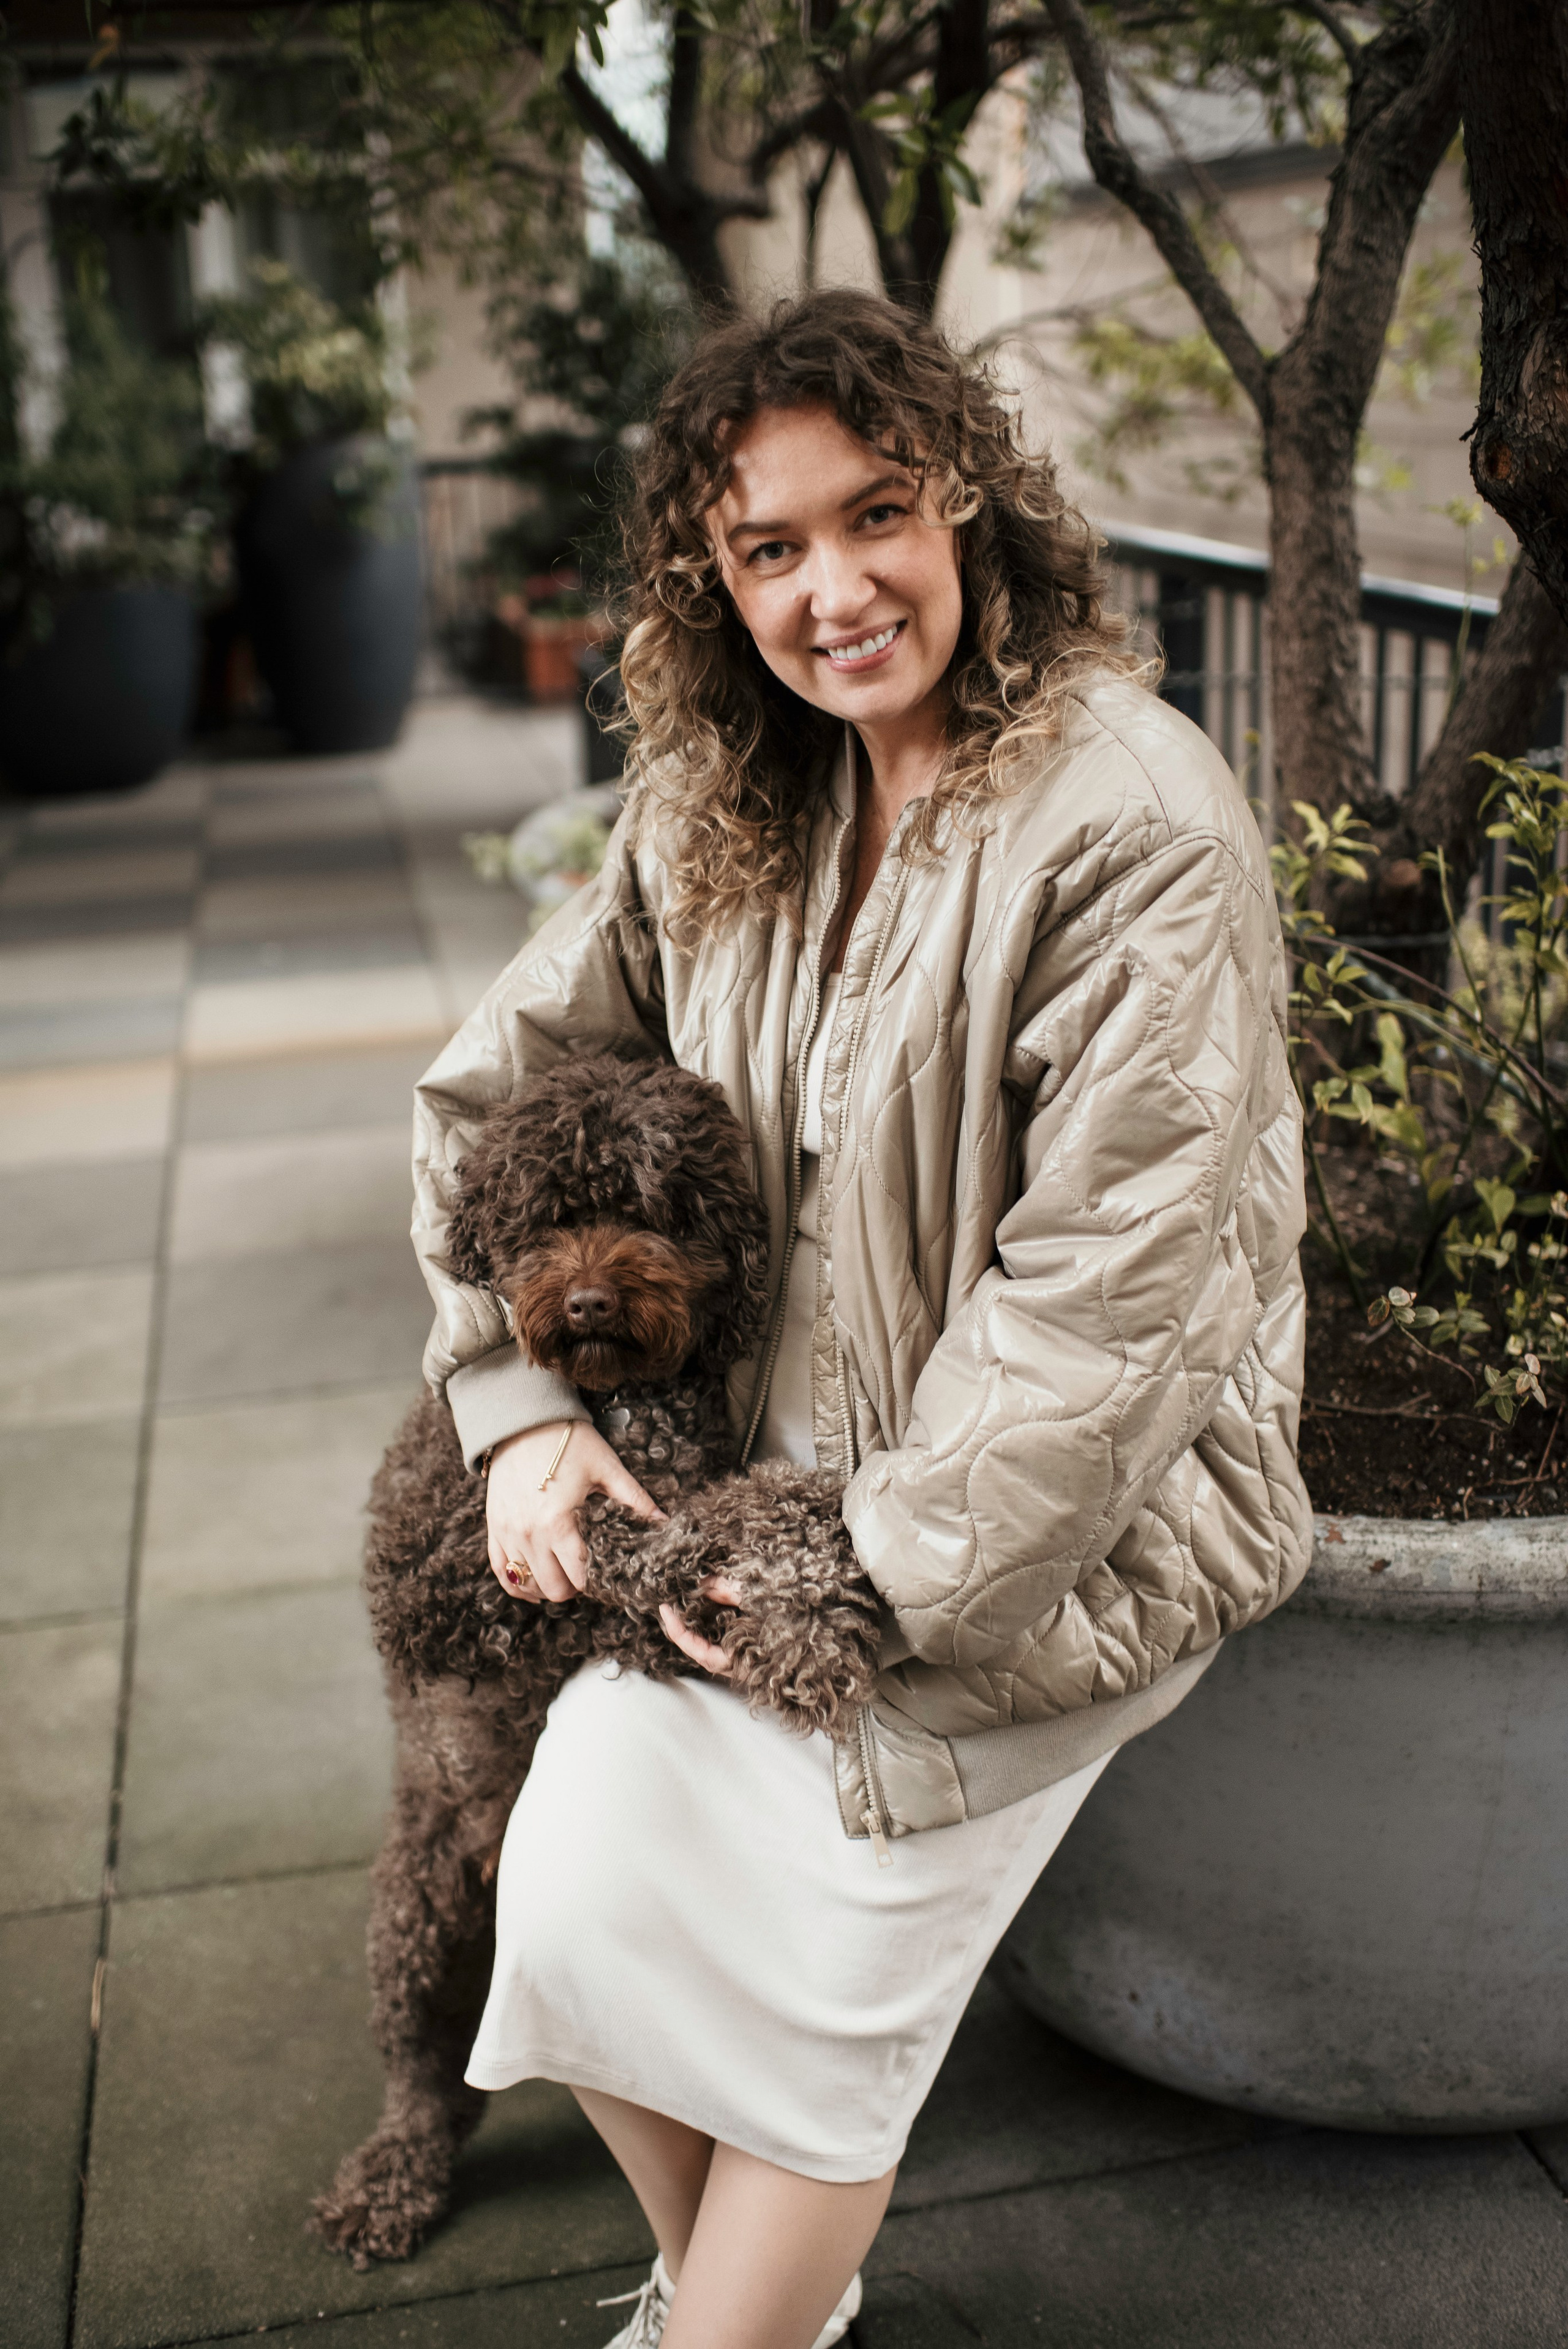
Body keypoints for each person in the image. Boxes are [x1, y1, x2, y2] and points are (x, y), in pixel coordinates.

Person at [410, 290, 1312, 2349]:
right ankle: (755, 2305)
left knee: (818, 1998)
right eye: (769, 550)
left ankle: (730, 2322)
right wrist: (526, 1397)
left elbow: (1103, 1314)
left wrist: (858, 1584)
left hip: (1036, 1538)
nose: (836, 591)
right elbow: (480, 1103)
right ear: (712, 583)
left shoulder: (1132, 817)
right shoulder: (732, 799)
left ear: (968, 501)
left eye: (875, 513)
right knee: (573, 1883)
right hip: (758, 1514)